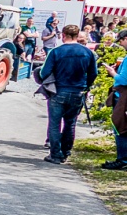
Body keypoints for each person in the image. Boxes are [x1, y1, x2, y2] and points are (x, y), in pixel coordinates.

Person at [36, 24, 97, 164]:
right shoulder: (88, 53)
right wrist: (85, 86)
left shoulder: (56, 52)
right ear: (77, 36)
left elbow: (44, 72)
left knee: (54, 123)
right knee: (70, 123)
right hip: (78, 91)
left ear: (63, 35)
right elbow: (94, 73)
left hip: (59, 90)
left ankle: (55, 154)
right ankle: (66, 152)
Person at [101, 30, 127, 170]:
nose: (121, 44)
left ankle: (122, 159)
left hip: (122, 97)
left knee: (119, 127)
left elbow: (124, 79)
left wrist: (113, 73)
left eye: (121, 41)